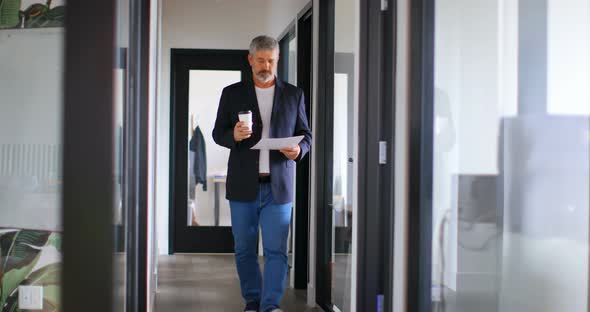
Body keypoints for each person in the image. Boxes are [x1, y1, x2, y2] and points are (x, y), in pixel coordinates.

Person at [212, 35, 312, 312]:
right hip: (243, 185)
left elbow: (307, 135)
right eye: (260, 60)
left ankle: (270, 306)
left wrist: (299, 150)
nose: (265, 66)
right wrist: (232, 134)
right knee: (244, 249)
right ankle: (253, 301)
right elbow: (217, 133)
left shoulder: (294, 94)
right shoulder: (232, 93)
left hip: (279, 187)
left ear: (277, 59)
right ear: (250, 59)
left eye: (270, 60)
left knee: (276, 250)